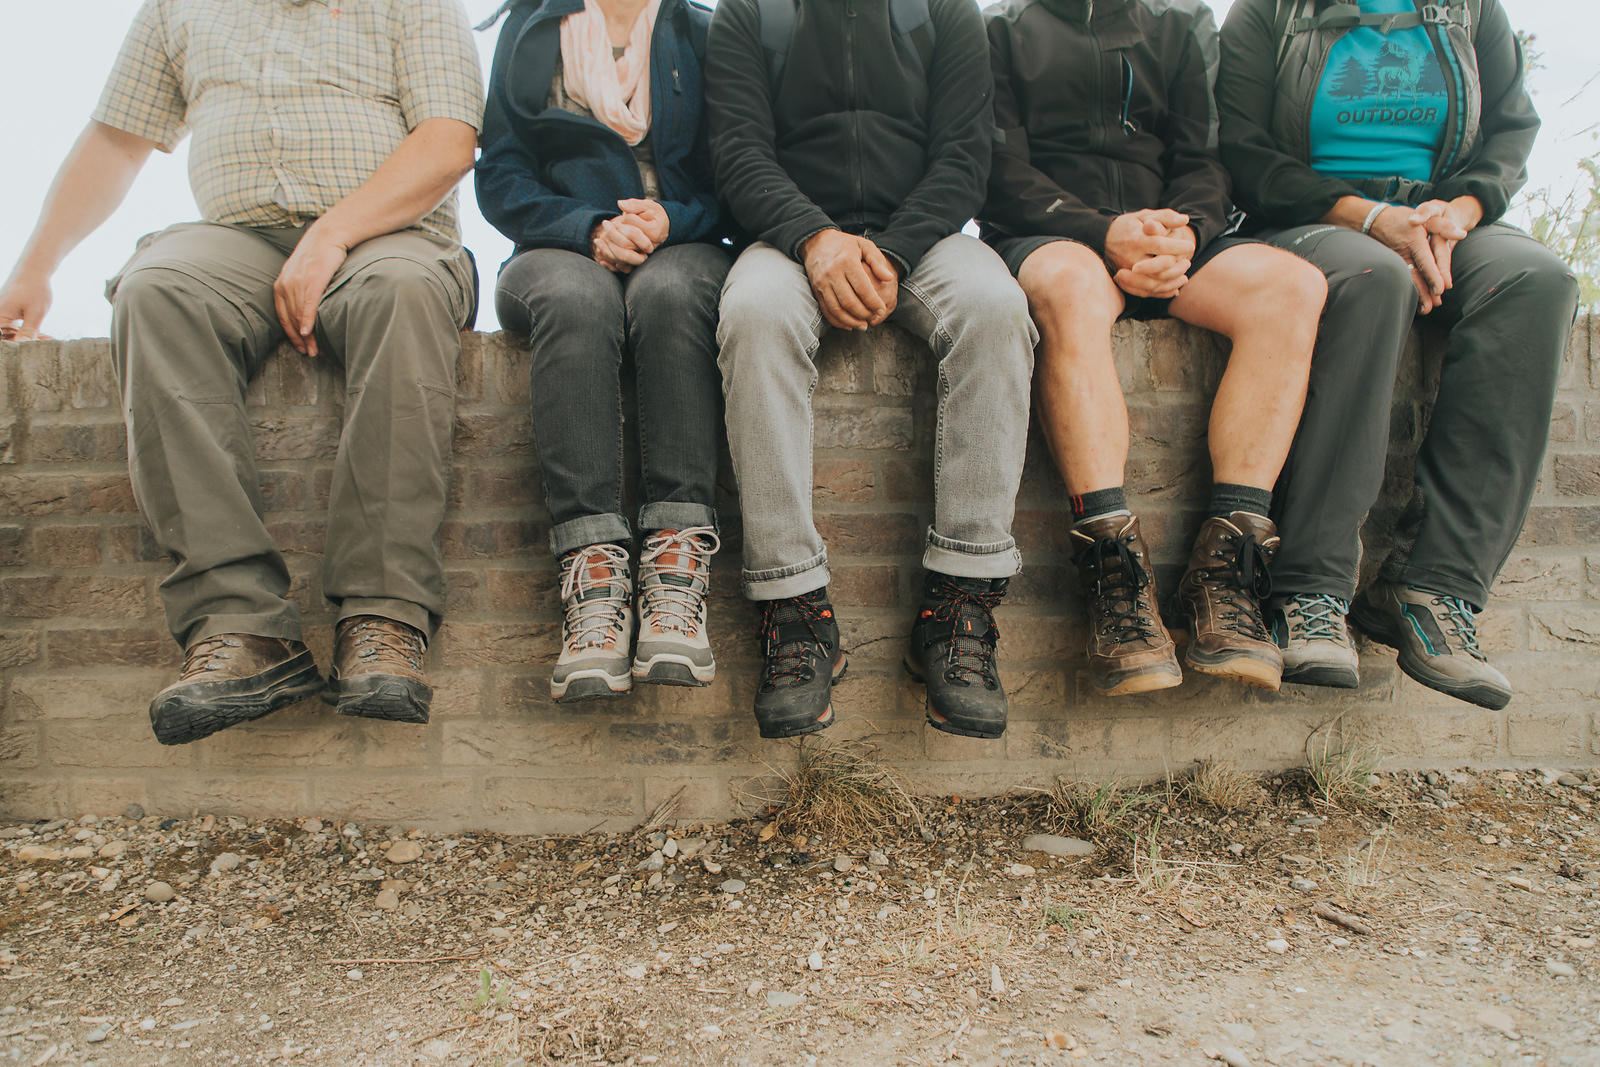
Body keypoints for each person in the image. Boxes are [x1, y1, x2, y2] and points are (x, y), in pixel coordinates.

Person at [0, 0, 484, 743]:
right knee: (153, 290)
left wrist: (330, 236)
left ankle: (383, 618)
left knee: (404, 292)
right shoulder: (176, 8)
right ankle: (241, 628)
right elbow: (116, 139)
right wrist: (35, 267)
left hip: (389, 237)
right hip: (238, 238)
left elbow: (448, 143)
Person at [1217, 0, 1580, 708]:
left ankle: (1433, 586)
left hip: (1437, 219)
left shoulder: (1473, 13)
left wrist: (1458, 215)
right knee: (1372, 276)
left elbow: (1510, 131)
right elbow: (1244, 152)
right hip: (1304, 222)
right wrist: (1371, 218)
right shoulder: (1269, 12)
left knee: (1537, 282)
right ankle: (1310, 586)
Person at [705, 0, 1037, 740]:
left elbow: (964, 158)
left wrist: (892, 249)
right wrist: (813, 239)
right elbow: (737, 153)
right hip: (789, 240)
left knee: (995, 307)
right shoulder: (748, 13)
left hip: (919, 238)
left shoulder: (947, 11)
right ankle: (796, 613)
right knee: (753, 316)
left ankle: (958, 607)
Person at [980, 0, 1327, 697]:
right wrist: (1103, 230)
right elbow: (1000, 171)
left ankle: (1224, 579)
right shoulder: (999, 28)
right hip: (1058, 236)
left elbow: (1205, 158)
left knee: (1293, 286)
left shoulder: (1182, 23)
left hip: (1170, 239)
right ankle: (1114, 584)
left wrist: (1186, 236)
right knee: (1068, 290)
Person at [477, 0, 728, 703]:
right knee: (577, 301)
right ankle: (593, 582)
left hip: (681, 245)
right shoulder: (529, 31)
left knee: (672, 297)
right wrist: (585, 227)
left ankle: (676, 568)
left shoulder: (703, 31)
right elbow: (498, 175)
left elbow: (735, 175)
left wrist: (675, 218)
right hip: (559, 246)